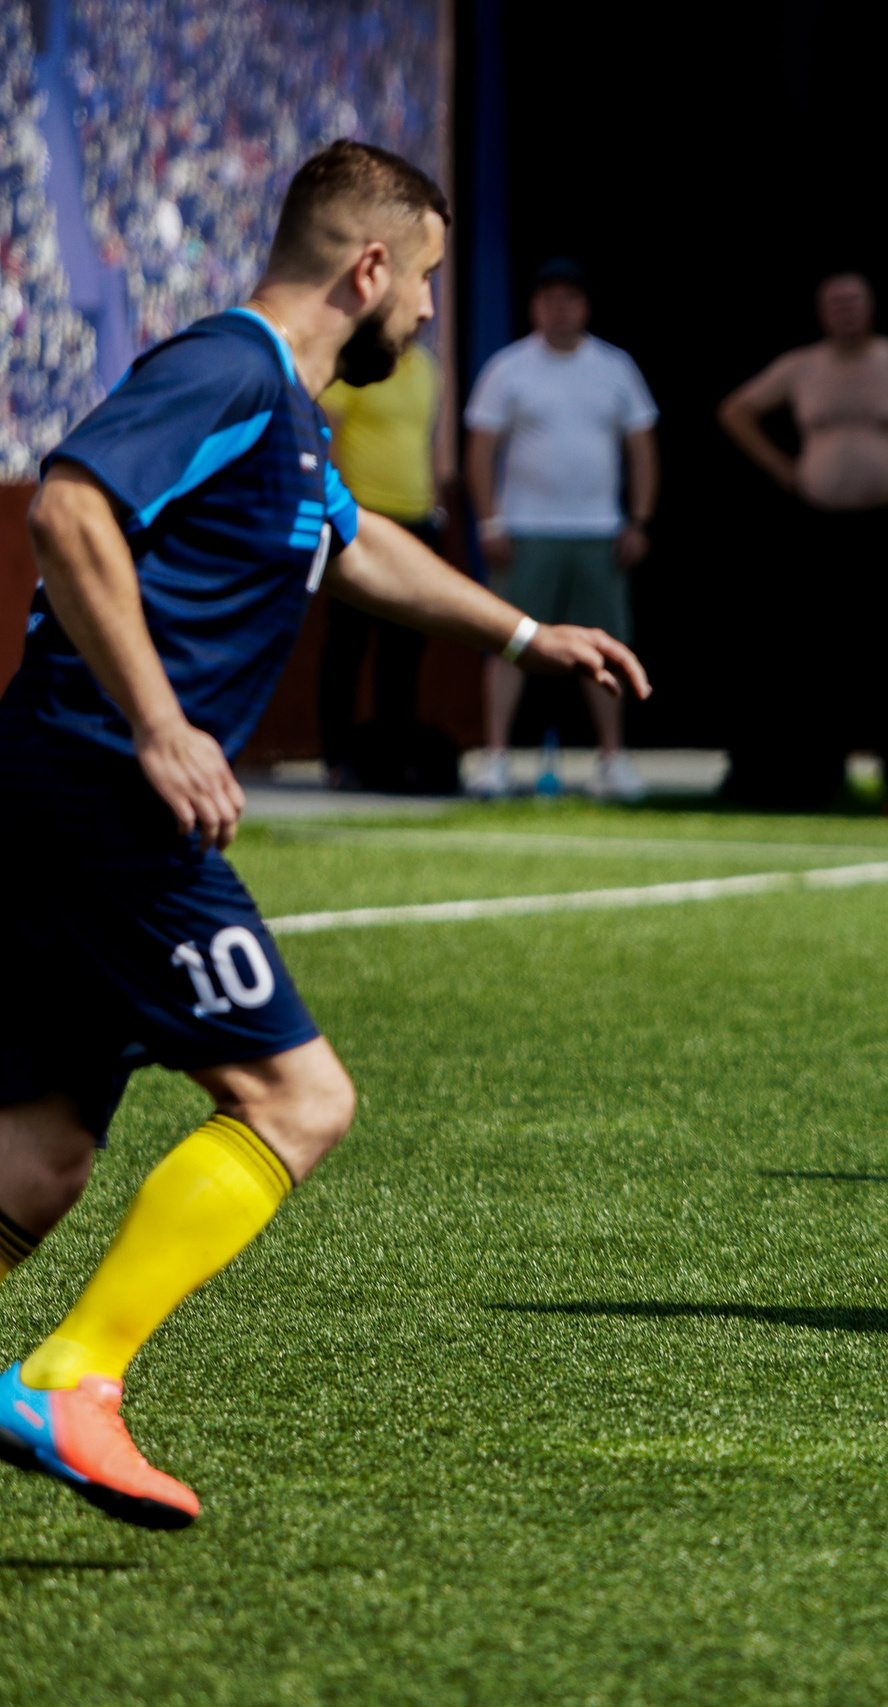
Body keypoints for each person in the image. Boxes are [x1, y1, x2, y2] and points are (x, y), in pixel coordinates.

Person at [0, 142, 647, 1530]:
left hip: (70, 786)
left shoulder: (287, 416)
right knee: (299, 1098)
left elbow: (352, 547)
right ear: (367, 268)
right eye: (421, 283)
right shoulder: (229, 369)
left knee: (42, 1151)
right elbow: (68, 505)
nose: (423, 315)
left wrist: (527, 632)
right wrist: (165, 724)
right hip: (113, 787)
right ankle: (74, 1376)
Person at [716, 274, 888, 802]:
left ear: (871, 307)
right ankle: (821, 772)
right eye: (834, 303)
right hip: (820, 525)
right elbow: (735, 410)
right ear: (821, 312)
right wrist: (781, 468)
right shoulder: (802, 367)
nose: (845, 311)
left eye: (853, 301)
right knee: (819, 651)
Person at [463, 258, 660, 801]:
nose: (559, 308)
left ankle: (613, 760)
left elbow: (642, 448)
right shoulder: (509, 367)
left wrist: (638, 520)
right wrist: (490, 520)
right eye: (548, 298)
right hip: (525, 532)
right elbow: (481, 449)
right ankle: (496, 759)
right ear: (534, 307)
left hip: (599, 531)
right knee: (509, 641)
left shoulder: (615, 367)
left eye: (569, 299)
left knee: (606, 648)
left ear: (585, 306)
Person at [316, 338, 443, 787]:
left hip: (418, 521)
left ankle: (393, 756)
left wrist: (436, 504)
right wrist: (345, 512)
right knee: (348, 644)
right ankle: (338, 759)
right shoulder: (356, 361)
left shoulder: (426, 367)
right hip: (362, 520)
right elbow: (327, 433)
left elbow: (429, 437)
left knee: (404, 649)